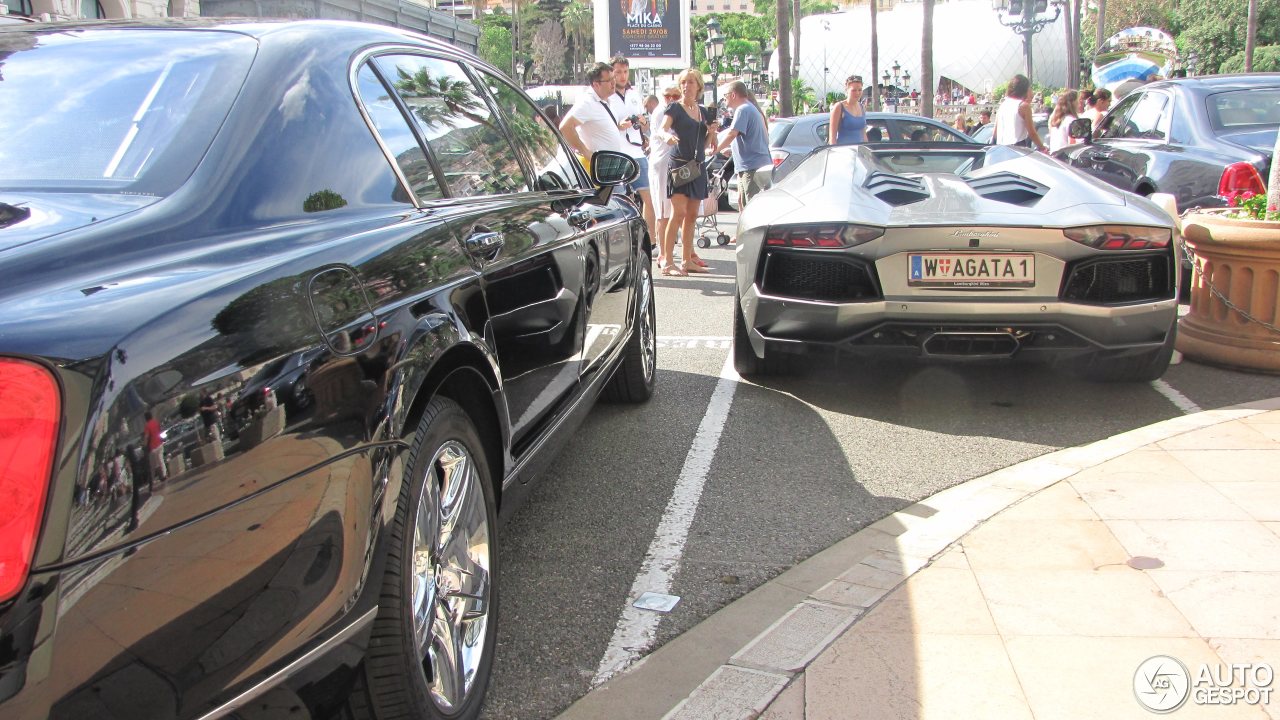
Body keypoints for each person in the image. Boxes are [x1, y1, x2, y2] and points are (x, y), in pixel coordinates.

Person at [658, 68, 717, 276]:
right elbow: (662, 129)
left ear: (699, 86)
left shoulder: (702, 111)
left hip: (698, 167)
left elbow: (707, 145)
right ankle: (667, 262)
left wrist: (711, 133)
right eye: (683, 82)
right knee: (678, 213)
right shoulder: (675, 108)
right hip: (680, 166)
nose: (686, 86)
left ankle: (686, 260)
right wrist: (667, 137)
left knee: (692, 215)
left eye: (691, 82)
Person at [607, 56, 656, 244]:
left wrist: (642, 122)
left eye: (625, 72)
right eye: (618, 72)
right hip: (618, 154)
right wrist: (619, 125)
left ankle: (651, 242)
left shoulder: (634, 95)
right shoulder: (608, 97)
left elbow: (644, 126)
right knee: (619, 200)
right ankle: (622, 243)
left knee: (649, 197)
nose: (622, 76)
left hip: (637, 153)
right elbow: (608, 125)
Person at [559, 62, 627, 175]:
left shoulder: (606, 101)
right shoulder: (587, 102)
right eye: (609, 80)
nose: (613, 82)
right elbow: (565, 127)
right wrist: (585, 152)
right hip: (599, 170)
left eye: (613, 78)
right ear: (596, 84)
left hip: (612, 168)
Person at [714, 80, 772, 211]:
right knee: (742, 202)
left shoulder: (742, 109)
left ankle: (751, 232)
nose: (724, 99)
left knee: (750, 206)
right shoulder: (749, 108)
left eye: (725, 96)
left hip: (751, 166)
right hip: (750, 165)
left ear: (733, 95)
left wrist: (715, 149)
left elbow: (732, 134)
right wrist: (731, 149)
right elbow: (748, 137)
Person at [647, 85, 680, 267]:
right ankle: (662, 252)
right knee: (662, 211)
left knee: (673, 210)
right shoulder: (662, 111)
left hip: (674, 163)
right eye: (668, 96)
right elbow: (663, 132)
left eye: (675, 95)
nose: (671, 99)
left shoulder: (675, 109)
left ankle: (668, 250)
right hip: (661, 164)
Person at [993, 74, 1047, 152]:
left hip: (1000, 148)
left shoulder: (1003, 105)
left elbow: (995, 132)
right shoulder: (1023, 106)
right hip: (1017, 147)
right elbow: (1032, 133)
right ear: (1025, 89)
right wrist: (1043, 148)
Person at [828, 75, 867, 145]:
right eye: (853, 90)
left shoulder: (862, 107)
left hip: (860, 151)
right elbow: (832, 138)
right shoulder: (839, 107)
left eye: (860, 90)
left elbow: (864, 134)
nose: (857, 93)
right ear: (847, 90)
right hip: (844, 151)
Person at [1047, 89, 1080, 153]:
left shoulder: (1055, 119)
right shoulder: (1071, 120)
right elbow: (1072, 144)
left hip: (1054, 156)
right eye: (1077, 100)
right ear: (1073, 102)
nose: (1078, 103)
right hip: (1065, 158)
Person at [143, 410, 165, 484]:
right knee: (161, 460)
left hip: (153, 447)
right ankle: (164, 475)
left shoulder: (147, 426)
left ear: (146, 418)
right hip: (159, 444)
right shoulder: (156, 422)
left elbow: (146, 437)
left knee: (152, 465)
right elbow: (159, 431)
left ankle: (152, 480)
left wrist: (145, 446)